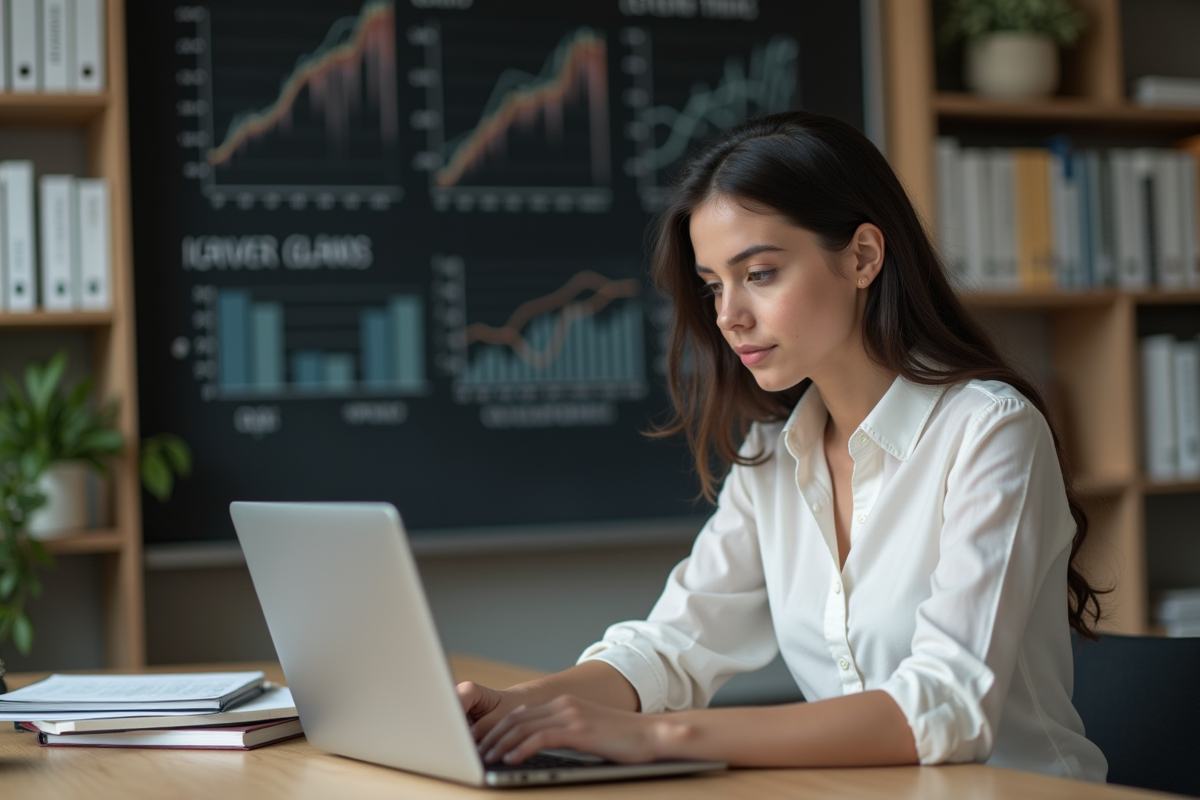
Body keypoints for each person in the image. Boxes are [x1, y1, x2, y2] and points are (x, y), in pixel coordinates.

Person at [456, 111, 1109, 781]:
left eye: (759, 274)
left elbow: (944, 706)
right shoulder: (775, 454)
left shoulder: (991, 430)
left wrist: (656, 737)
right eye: (714, 285)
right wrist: (516, 706)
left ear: (862, 257)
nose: (727, 315)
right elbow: (673, 648)